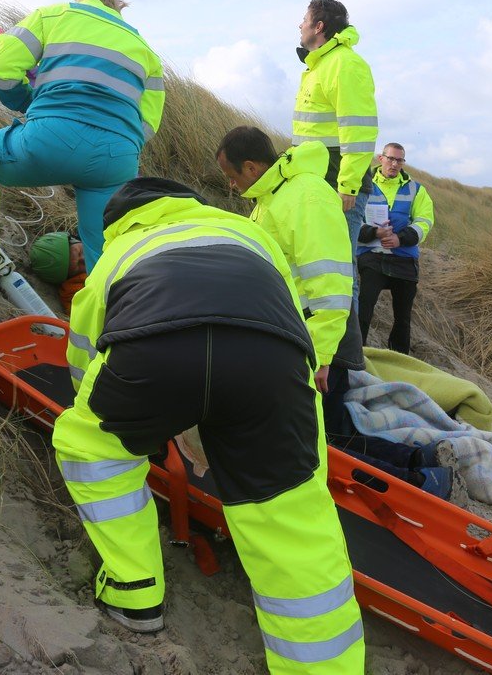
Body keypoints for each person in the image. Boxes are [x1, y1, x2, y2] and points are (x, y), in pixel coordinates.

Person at [51, 177, 365, 674]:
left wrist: (141, 430)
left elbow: (85, 360)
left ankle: (135, 595)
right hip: (272, 360)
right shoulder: (248, 233)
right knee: (290, 509)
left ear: (116, 222)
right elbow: (287, 315)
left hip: (155, 353)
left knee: (91, 447)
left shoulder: (119, 250)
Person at [216, 127, 455, 498]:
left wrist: (322, 357)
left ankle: (417, 488)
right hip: (311, 333)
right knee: (334, 428)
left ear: (249, 167)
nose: (231, 186)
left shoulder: (305, 197)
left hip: (321, 336)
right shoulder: (273, 198)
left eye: (231, 177)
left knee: (319, 440)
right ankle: (418, 461)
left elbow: (331, 284)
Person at [0, 0, 164, 287]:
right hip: (117, 160)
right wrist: (120, 142)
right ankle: (115, 320)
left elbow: (1, 69)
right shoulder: (146, 51)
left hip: (51, 137)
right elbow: (149, 121)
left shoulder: (55, 16)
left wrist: (26, 104)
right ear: (117, 10)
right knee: (104, 256)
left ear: (82, 1)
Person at [293, 0, 378, 302]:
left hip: (338, 185)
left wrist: (348, 186)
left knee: (340, 270)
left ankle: (348, 349)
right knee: (317, 266)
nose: (299, 25)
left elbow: (358, 130)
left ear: (319, 26)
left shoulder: (345, 64)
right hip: (316, 180)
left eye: (304, 19)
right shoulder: (318, 66)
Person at [356, 144, 435, 356]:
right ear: (380, 158)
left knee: (403, 318)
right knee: (363, 308)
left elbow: (425, 221)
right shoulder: (361, 184)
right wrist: (374, 234)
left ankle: (399, 361)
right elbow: (353, 220)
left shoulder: (416, 189)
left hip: (404, 258)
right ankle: (355, 357)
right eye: (390, 159)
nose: (394, 164)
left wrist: (400, 239)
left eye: (399, 160)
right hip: (372, 256)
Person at [29, 231, 87, 313]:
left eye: (79, 251)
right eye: (77, 266)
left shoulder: (102, 231)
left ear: (75, 240)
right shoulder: (77, 295)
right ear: (69, 278)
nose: (84, 259)